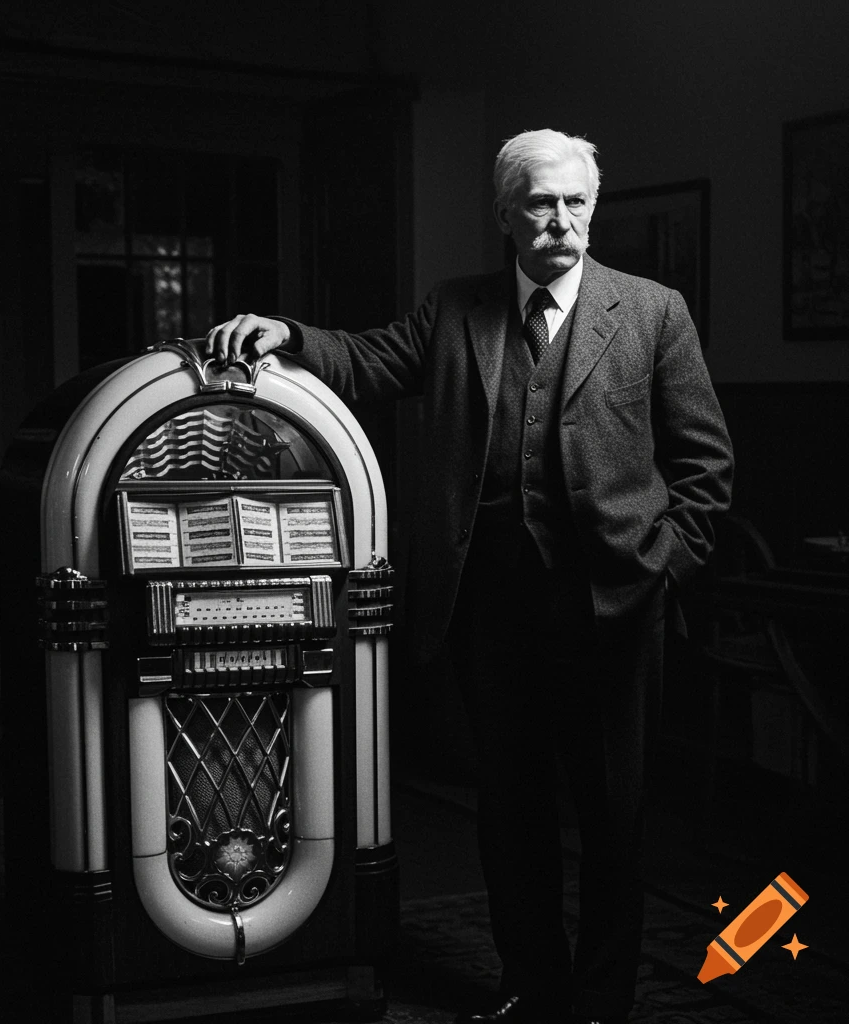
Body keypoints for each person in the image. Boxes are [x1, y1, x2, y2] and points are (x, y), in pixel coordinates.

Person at [206, 129, 734, 1024]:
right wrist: (289, 334)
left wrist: (661, 571)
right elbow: (372, 360)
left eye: (575, 202)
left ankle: (604, 999)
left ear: (592, 209)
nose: (561, 219)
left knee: (613, 823)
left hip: (612, 611)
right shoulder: (457, 310)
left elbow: (707, 471)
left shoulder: (653, 311)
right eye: (540, 202)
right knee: (511, 811)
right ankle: (529, 984)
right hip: (491, 612)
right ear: (505, 215)